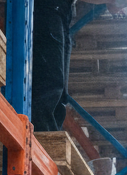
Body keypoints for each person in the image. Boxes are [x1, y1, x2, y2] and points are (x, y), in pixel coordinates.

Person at [32, 0, 76, 132]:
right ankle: (42, 135)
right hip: (49, 6)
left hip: (63, 12)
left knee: (60, 92)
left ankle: (50, 136)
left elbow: (113, 6)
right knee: (50, 83)